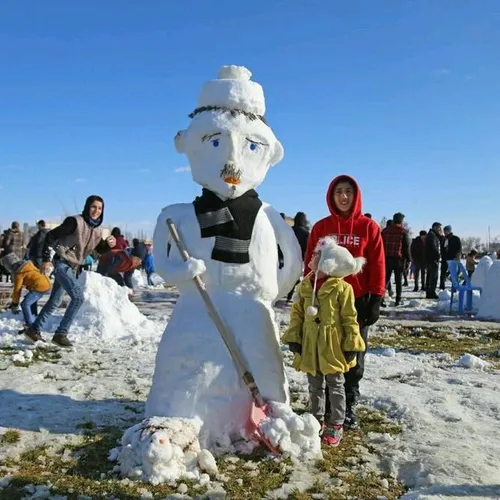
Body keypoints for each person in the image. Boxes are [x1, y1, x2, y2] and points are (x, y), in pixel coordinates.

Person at [304, 174, 385, 430]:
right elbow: (310, 261)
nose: (344, 196)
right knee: (325, 351)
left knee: (353, 351)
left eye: (348, 191)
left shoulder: (368, 227)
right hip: (326, 300)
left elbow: (378, 262)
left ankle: (348, 404)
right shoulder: (320, 227)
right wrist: (309, 290)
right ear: (331, 195)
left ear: (356, 195)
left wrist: (377, 297)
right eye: (339, 191)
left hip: (358, 301)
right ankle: (326, 402)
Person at [283, 236, 366, 446]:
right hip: (311, 343)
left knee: (336, 385)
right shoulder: (305, 285)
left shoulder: (342, 289)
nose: (312, 256)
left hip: (332, 345)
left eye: (317, 254)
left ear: (328, 262)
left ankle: (336, 423)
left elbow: (349, 318)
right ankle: (315, 420)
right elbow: (298, 314)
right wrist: (295, 336)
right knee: (314, 384)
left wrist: (352, 343)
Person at [25, 195, 116, 347]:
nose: (96, 211)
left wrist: (108, 245)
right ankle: (61, 334)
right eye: (94, 207)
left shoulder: (97, 230)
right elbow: (51, 236)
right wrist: (46, 258)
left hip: (72, 267)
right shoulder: (74, 222)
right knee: (78, 297)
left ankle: (33, 329)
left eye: (100, 208)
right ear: (87, 207)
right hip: (61, 263)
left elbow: (98, 249)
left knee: (54, 302)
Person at [0, 249, 51, 330]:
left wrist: (15, 304)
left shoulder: (19, 273)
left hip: (39, 287)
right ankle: (33, 317)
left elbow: (17, 290)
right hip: (46, 283)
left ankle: (30, 326)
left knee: (24, 304)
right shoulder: (27, 266)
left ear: (9, 266)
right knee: (29, 301)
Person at [381, 212, 411, 306]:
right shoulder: (403, 232)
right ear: (401, 221)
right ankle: (398, 300)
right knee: (398, 281)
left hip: (386, 259)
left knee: (385, 280)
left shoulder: (385, 231)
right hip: (399, 260)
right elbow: (406, 248)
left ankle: (381, 298)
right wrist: (409, 259)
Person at [286, 211, 310, 301]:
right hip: (300, 258)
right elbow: (308, 246)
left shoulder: (290, 230)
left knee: (288, 275)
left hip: (288, 256)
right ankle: (291, 296)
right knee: (297, 276)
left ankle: (287, 294)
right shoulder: (306, 232)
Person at [440, 225, 462, 289]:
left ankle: (454, 286)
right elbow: (442, 249)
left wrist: (456, 256)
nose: (445, 232)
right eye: (444, 231)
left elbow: (459, 249)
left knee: (453, 273)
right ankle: (442, 286)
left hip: (453, 258)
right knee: (443, 273)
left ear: (449, 231)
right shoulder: (444, 239)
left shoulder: (455, 238)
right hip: (445, 259)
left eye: (446, 231)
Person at [425, 222, 443, 299]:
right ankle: (431, 292)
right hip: (432, 259)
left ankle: (429, 292)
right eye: (439, 228)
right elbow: (433, 248)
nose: (440, 230)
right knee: (433, 277)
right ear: (435, 227)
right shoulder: (432, 236)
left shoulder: (433, 235)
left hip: (430, 259)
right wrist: (438, 256)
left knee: (430, 276)